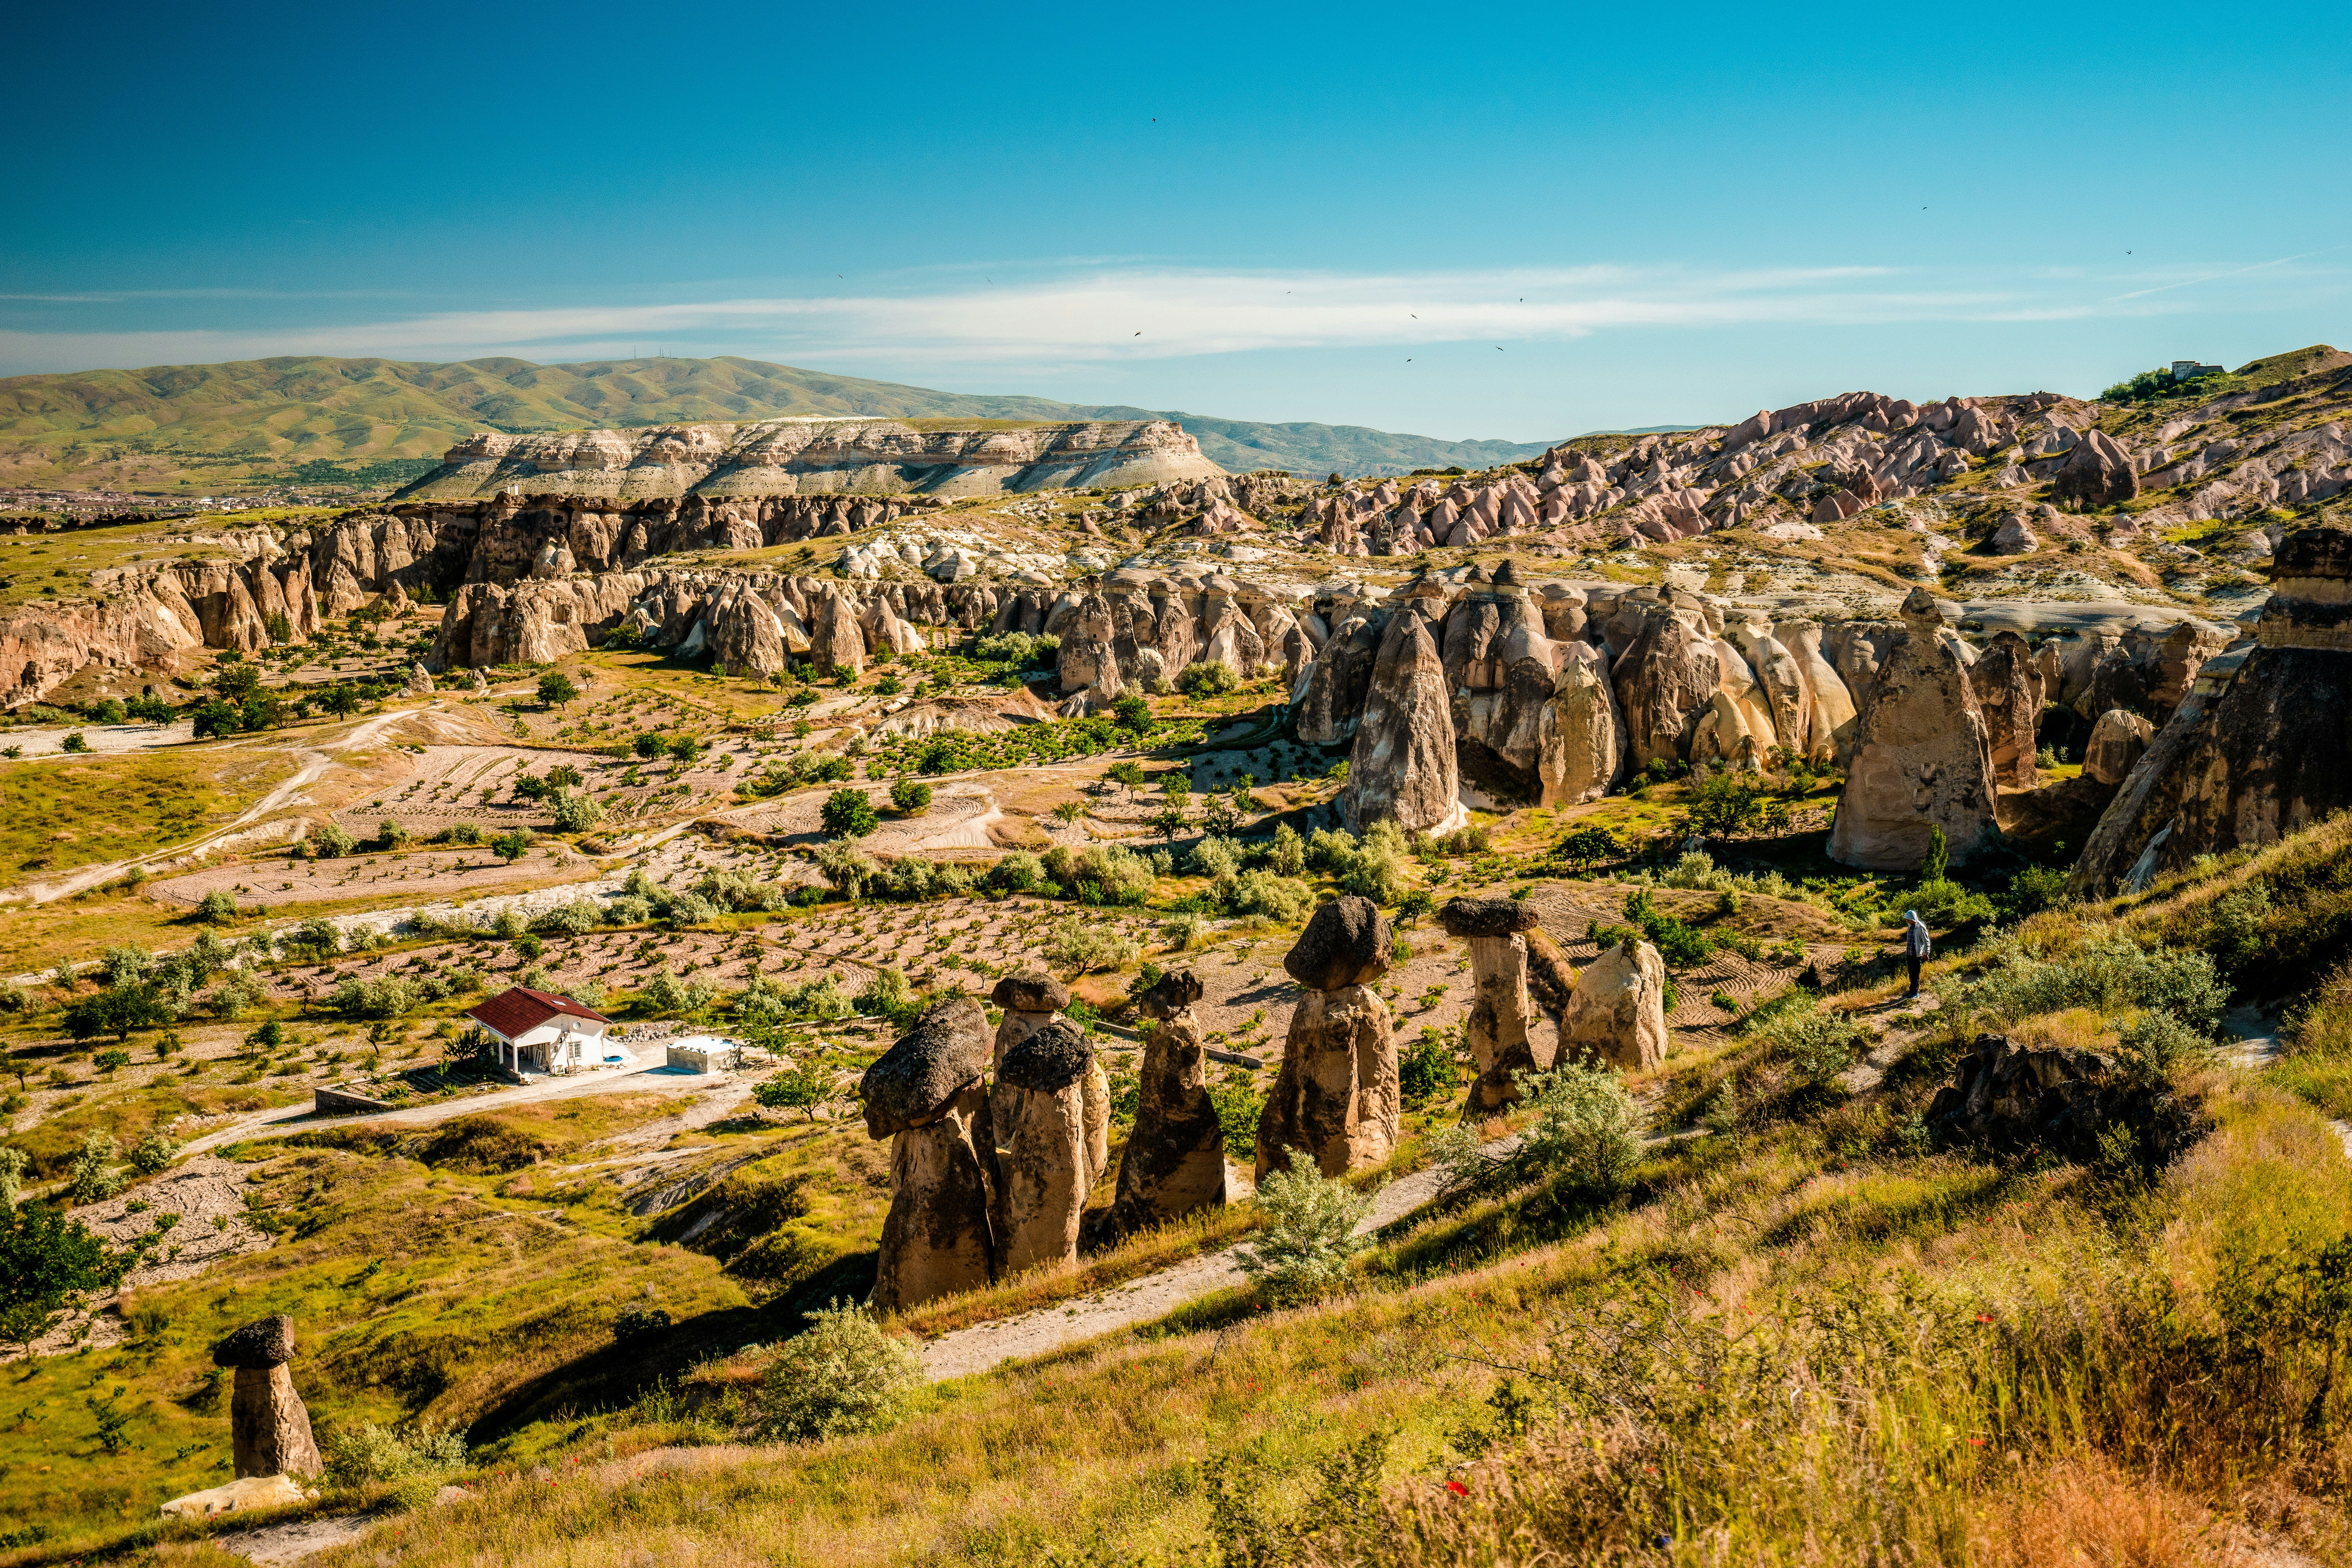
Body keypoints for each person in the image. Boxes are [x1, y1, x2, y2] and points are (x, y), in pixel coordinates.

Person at [1901, 909, 1932, 999]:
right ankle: (1911, 992)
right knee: (1911, 974)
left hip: (1917, 955)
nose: (1907, 921)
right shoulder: (1911, 926)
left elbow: (1926, 941)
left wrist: (1926, 953)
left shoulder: (1921, 927)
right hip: (1910, 954)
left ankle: (1915, 993)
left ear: (1913, 918)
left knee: (1915, 975)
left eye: (1909, 919)